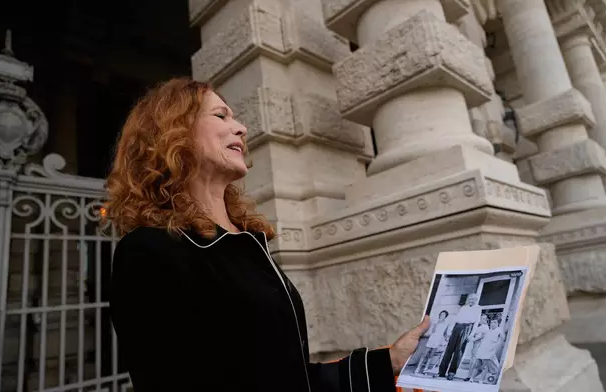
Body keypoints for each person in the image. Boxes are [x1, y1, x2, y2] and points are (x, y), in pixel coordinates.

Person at [105, 78, 430, 392]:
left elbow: (289, 377)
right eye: (221, 115)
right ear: (173, 132)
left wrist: (389, 361)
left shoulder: (247, 241)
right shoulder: (149, 251)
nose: (242, 128)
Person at [438, 293, 481, 380]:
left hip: (467, 327)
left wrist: (472, 334)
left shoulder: (478, 308)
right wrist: (450, 330)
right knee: (449, 349)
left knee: (459, 351)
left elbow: (476, 322)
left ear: (476, 300)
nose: (471, 300)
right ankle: (442, 371)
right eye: (470, 298)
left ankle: (452, 372)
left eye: (473, 299)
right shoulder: (464, 308)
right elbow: (456, 318)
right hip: (457, 327)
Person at [469, 318, 504, 384]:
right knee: (477, 364)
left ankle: (481, 380)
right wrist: (473, 339)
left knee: (485, 367)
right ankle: (471, 378)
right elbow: (480, 336)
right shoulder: (487, 331)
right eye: (492, 322)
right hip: (482, 349)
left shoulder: (499, 331)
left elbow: (500, 341)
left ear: (498, 323)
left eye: (495, 322)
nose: (492, 324)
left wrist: (493, 350)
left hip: (489, 351)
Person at [417, 310, 450, 376]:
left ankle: (425, 369)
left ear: (445, 316)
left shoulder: (446, 324)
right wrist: (437, 323)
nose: (442, 316)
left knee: (431, 355)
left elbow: (445, 334)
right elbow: (433, 331)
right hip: (432, 338)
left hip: (438, 340)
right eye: (441, 314)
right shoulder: (435, 322)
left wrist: (447, 339)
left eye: (443, 315)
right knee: (424, 354)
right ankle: (418, 368)